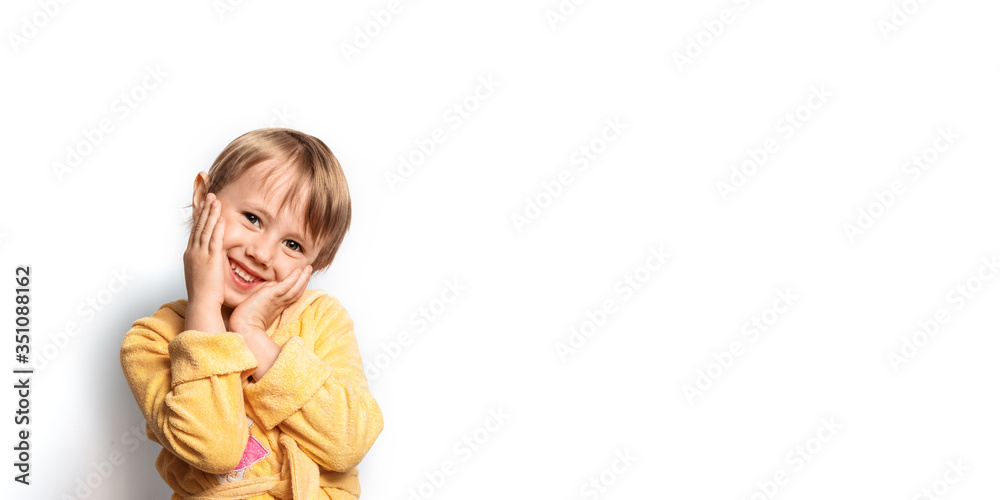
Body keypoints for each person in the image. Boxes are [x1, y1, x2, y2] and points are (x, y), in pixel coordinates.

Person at [120, 128, 383, 500]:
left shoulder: (322, 318)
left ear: (318, 261)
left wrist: (251, 333)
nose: (261, 253)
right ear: (202, 197)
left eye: (293, 244)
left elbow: (348, 442)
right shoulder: (153, 339)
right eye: (253, 218)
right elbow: (214, 448)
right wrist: (205, 306)